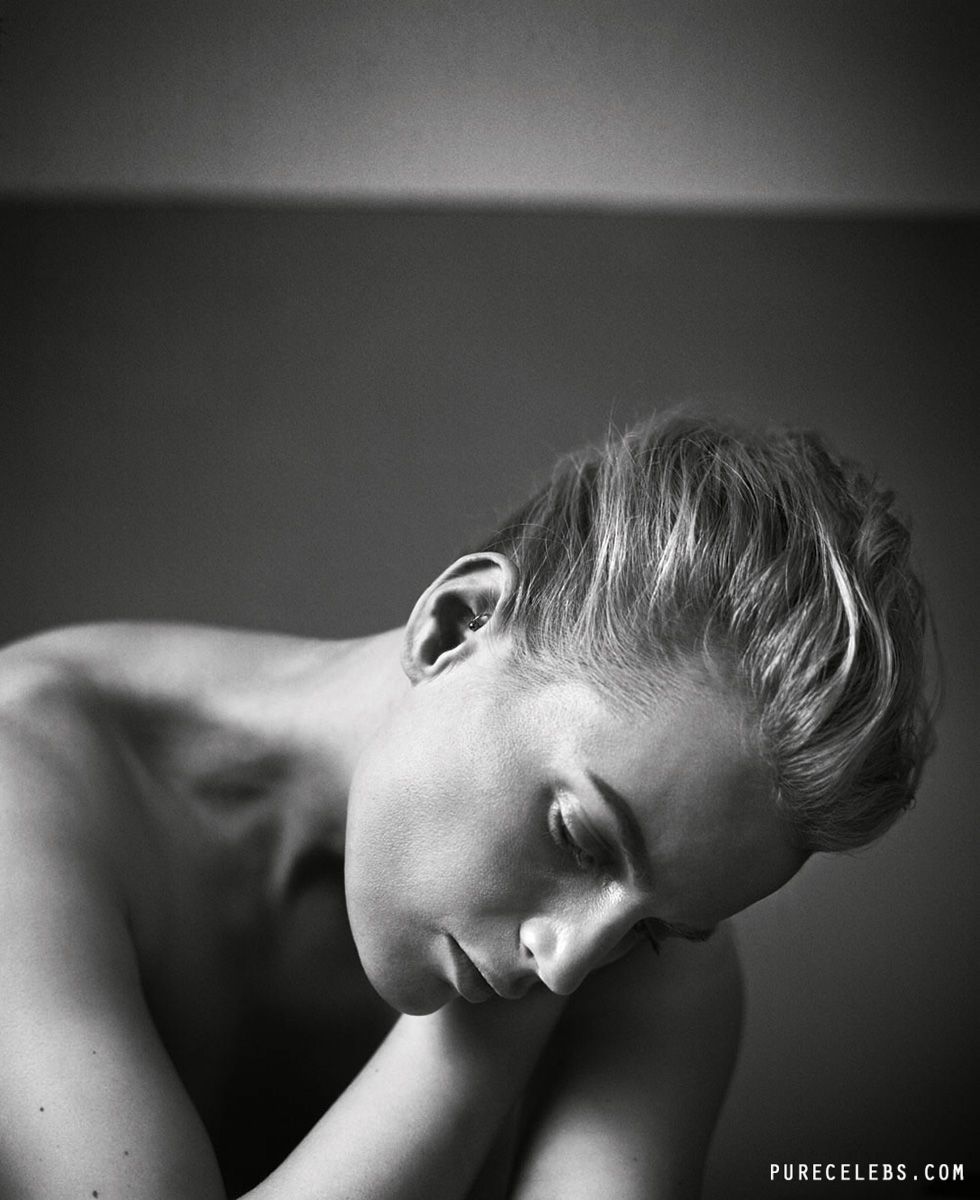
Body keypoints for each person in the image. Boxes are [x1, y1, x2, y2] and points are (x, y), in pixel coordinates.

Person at [0, 412, 933, 1199]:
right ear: (455, 626)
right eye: (579, 836)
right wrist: (468, 1053)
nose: (569, 966)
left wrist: (490, 1024)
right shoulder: (30, 773)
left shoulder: (657, 965)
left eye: (650, 930)